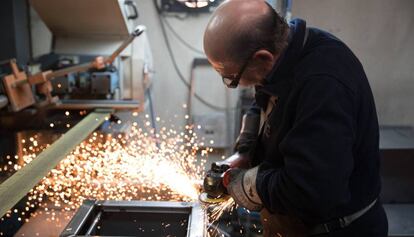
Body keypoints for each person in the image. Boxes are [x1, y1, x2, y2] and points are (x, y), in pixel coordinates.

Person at [203, 0, 388, 236]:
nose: (233, 84)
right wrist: (244, 151)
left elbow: (310, 191)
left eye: (232, 78)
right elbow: (262, 101)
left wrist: (246, 184)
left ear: (263, 58)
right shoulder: (287, 50)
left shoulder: (324, 86)